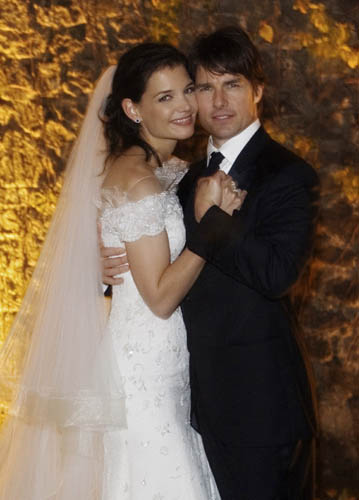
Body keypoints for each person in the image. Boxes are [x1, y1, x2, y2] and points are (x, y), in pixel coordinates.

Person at [0, 42, 243, 499]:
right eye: (164, 97)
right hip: (145, 362)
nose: (186, 105)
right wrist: (213, 227)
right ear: (133, 108)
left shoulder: (150, 167)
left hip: (149, 353)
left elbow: (139, 214)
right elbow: (160, 296)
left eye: (187, 89)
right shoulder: (139, 180)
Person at [103, 27, 320, 500]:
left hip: (259, 409)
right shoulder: (179, 173)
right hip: (190, 403)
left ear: (259, 91)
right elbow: (154, 256)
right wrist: (106, 272)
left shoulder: (288, 175)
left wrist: (215, 222)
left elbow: (277, 275)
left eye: (233, 84)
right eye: (204, 87)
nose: (217, 101)